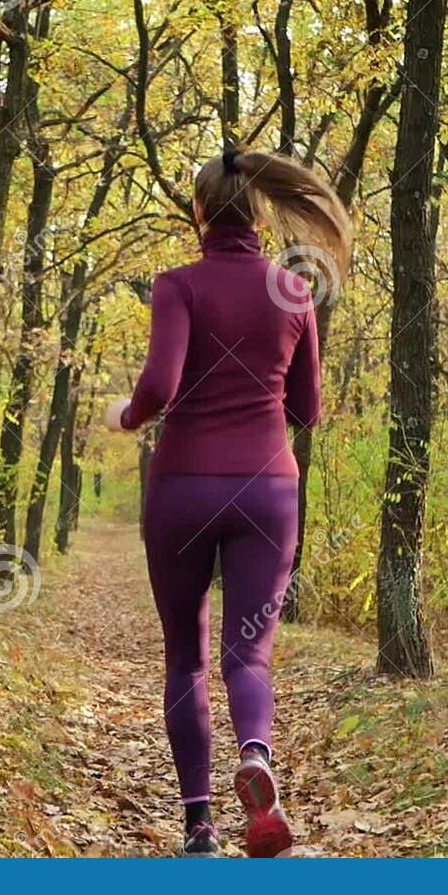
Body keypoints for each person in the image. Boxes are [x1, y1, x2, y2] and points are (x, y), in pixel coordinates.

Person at [105, 147, 351, 857]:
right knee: (249, 657)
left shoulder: (177, 284)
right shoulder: (293, 292)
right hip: (267, 490)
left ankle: (200, 825)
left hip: (182, 486)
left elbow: (158, 385)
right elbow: (307, 410)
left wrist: (127, 415)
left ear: (201, 212)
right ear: (262, 211)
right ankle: (256, 756)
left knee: (184, 658)